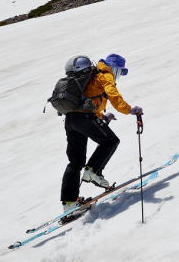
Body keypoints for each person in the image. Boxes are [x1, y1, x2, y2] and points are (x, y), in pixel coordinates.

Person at [60, 54, 143, 213]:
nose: (117, 75)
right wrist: (129, 110)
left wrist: (102, 116)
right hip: (84, 117)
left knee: (75, 162)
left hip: (71, 119)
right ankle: (93, 171)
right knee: (111, 141)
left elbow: (88, 100)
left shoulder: (91, 77)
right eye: (118, 71)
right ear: (112, 67)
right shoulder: (105, 75)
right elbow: (113, 95)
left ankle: (69, 203)